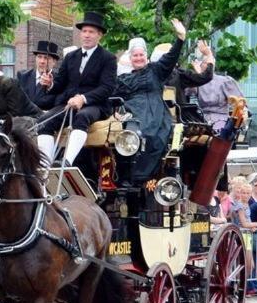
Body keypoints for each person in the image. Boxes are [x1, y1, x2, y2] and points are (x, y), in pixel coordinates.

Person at [112, 19, 188, 183]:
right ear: (130, 58)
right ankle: (127, 176)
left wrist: (180, 39)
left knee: (153, 135)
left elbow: (170, 58)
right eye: (135, 55)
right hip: (132, 112)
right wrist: (116, 113)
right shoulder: (123, 79)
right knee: (130, 134)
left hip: (156, 112)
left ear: (146, 56)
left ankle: (147, 177)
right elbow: (111, 97)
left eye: (141, 55)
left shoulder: (155, 70)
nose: (138, 58)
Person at [37, 11, 117, 164]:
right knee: (44, 121)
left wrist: (83, 98)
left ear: (100, 35)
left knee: (82, 116)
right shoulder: (70, 57)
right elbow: (60, 84)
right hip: (68, 104)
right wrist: (50, 83)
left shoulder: (108, 58)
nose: (86, 35)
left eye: (91, 32)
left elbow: (107, 88)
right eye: (84, 31)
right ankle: (46, 164)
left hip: (95, 105)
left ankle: (66, 162)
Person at [16, 40, 61, 110]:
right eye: (39, 57)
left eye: (46, 58)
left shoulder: (59, 81)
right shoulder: (23, 76)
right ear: (35, 58)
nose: (42, 61)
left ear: (54, 62)